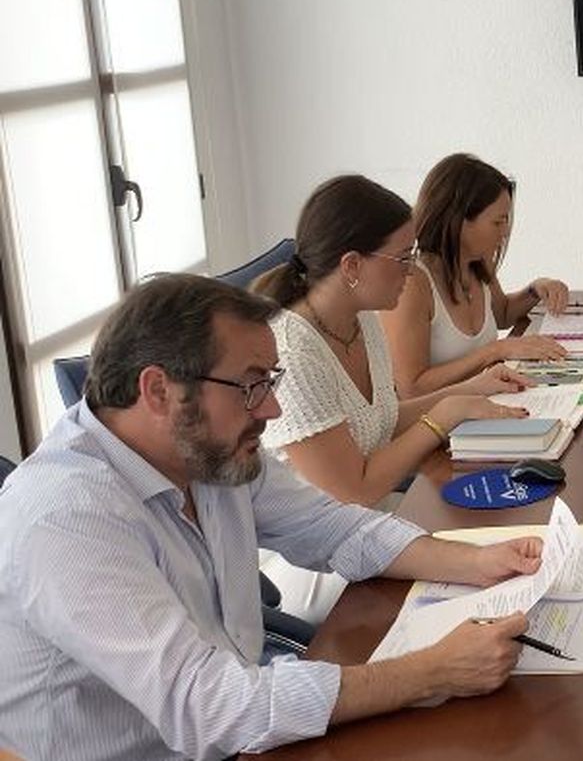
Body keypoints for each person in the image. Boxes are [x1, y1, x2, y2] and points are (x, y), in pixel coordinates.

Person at [0, 274, 546, 761]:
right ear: (159, 391)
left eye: (270, 382)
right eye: (251, 385)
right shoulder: (66, 518)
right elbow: (208, 707)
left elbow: (337, 526)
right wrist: (435, 670)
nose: (272, 410)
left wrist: (478, 562)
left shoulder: (204, 451)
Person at [254, 175, 532, 621]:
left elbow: (379, 420)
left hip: (374, 530)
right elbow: (353, 492)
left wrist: (469, 391)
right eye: (402, 258)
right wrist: (442, 417)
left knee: (506, 551)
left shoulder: (361, 319)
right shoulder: (292, 352)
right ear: (351, 266)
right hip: (321, 568)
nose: (412, 269)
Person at [382, 153, 573, 399]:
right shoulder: (412, 283)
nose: (505, 232)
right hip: (435, 426)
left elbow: (502, 314)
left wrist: (537, 289)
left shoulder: (477, 262)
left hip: (477, 408)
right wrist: (495, 350)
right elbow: (411, 388)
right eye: (498, 222)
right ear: (458, 220)